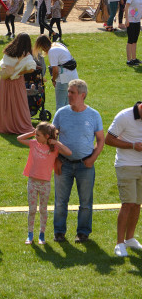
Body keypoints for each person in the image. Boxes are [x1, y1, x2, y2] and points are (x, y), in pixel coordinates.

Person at [52, 79, 104, 243]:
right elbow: (51, 139)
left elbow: (101, 140)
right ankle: (59, 232)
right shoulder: (61, 113)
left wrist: (92, 159)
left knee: (86, 202)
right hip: (64, 163)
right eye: (68, 91)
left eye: (72, 92)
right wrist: (56, 161)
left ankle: (83, 233)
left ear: (83, 95)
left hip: (85, 165)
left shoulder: (94, 115)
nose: (69, 95)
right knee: (60, 202)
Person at [17, 123, 71, 245]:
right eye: (35, 135)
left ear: (47, 136)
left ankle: (42, 234)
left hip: (45, 184)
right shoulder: (33, 144)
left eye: (38, 135)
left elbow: (69, 152)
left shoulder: (54, 149)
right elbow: (19, 139)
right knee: (32, 210)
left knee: (43, 210)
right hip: (32, 182)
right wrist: (31, 133)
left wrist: (56, 142)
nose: (36, 137)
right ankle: (30, 234)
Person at [106, 102, 142, 257]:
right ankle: (119, 243)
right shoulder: (124, 116)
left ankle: (130, 238)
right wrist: (133, 145)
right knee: (127, 203)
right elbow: (109, 140)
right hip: (126, 165)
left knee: (137, 204)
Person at [0, 33, 36, 135]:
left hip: (5, 80)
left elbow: (3, 64)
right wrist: (20, 72)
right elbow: (32, 68)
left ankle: (5, 126)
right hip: (17, 81)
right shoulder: (26, 56)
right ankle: (19, 124)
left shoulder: (8, 52)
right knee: (19, 103)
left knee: (6, 103)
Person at [34, 35, 78, 110]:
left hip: (63, 77)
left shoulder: (52, 51)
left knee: (60, 103)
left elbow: (55, 70)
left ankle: (59, 121)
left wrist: (53, 79)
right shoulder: (58, 45)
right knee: (68, 102)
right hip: (73, 76)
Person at [125, 0, 142, 66]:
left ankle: (134, 58)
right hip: (131, 20)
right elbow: (126, 7)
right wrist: (126, 19)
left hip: (137, 20)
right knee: (130, 40)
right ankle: (129, 60)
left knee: (135, 40)